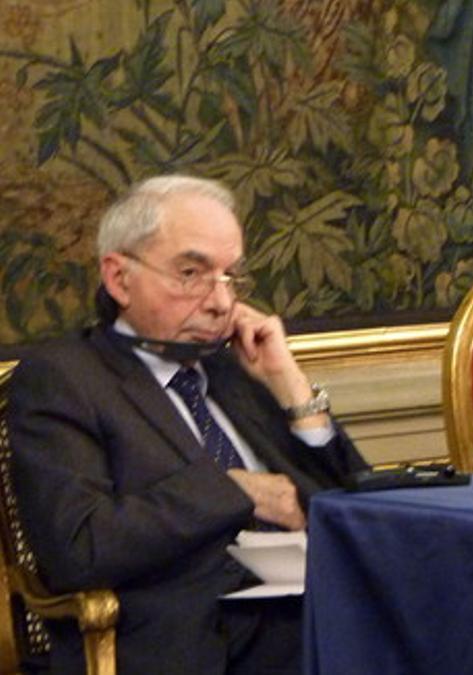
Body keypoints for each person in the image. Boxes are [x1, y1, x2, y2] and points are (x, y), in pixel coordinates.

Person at [8, 176, 368, 674]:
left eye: (230, 278)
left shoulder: (233, 371)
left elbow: (361, 505)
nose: (221, 303)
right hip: (184, 641)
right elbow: (80, 548)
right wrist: (232, 490)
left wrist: (292, 388)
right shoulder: (62, 379)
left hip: (311, 612)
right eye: (192, 273)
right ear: (118, 278)